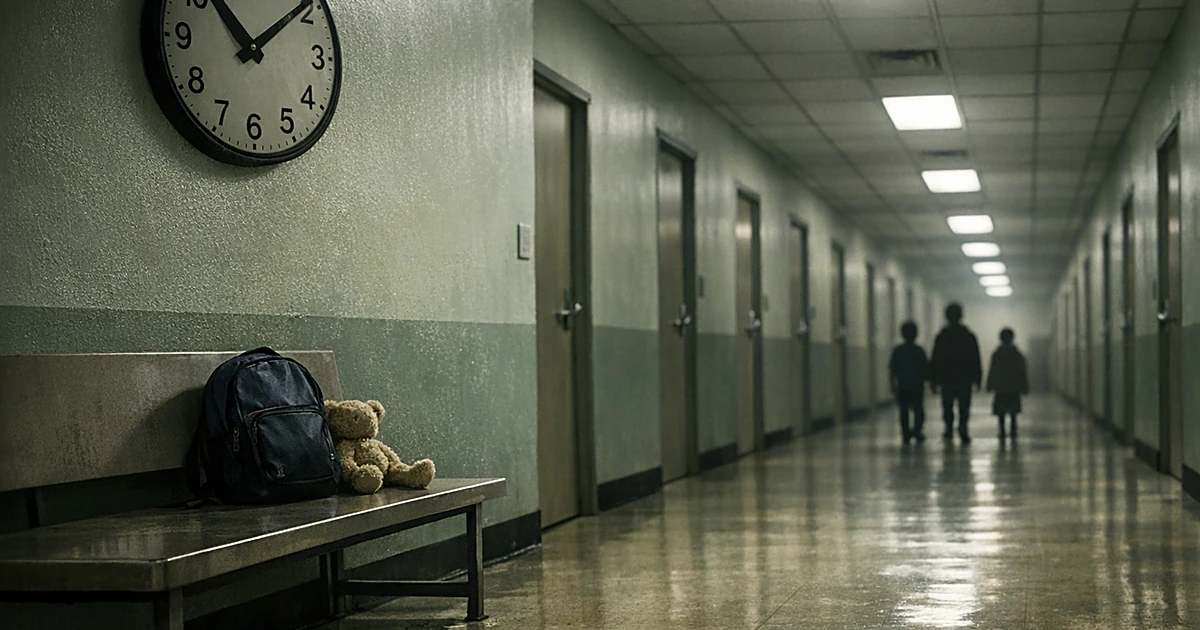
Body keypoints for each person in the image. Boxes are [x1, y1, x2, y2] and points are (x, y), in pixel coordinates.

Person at [929, 303, 982, 444]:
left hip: (947, 377)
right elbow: (975, 358)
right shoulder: (968, 336)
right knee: (964, 406)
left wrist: (933, 379)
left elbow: (935, 358)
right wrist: (978, 378)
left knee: (947, 405)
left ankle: (948, 428)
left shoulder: (942, 337)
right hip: (964, 377)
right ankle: (963, 428)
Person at [888, 321, 928, 444]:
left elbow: (893, 370)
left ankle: (906, 433)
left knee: (904, 411)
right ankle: (917, 431)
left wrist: (892, 384)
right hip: (916, 385)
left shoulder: (898, 351)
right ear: (916, 334)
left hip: (903, 386)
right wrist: (930, 382)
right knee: (918, 411)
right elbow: (926, 368)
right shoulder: (919, 351)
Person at [986, 328, 1030, 440]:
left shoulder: (997, 354)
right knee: (1013, 411)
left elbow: (992, 370)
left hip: (1001, 387)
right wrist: (1024, 386)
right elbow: (1022, 371)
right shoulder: (1017, 354)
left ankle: (1002, 431)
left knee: (1001, 411)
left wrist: (989, 384)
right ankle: (1013, 429)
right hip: (1013, 387)